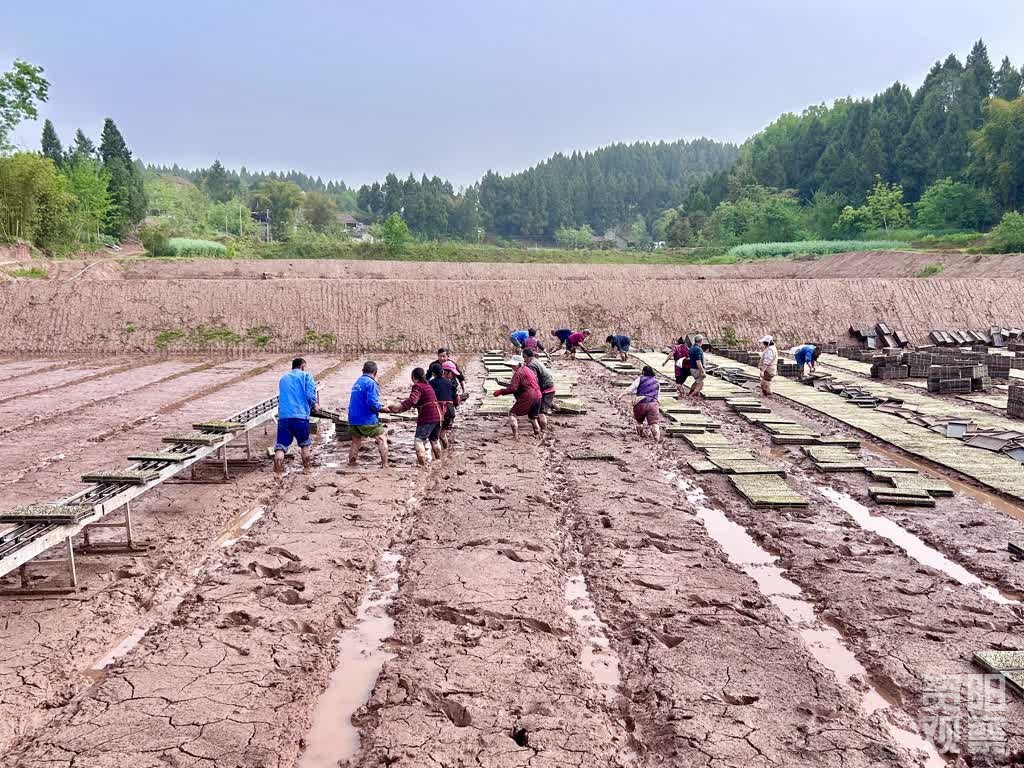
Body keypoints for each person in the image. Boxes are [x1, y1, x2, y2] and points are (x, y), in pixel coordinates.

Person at [389, 367, 444, 465]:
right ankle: (439, 461)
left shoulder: (418, 386)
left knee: (419, 440)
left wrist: (398, 407)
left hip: (428, 415)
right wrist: (402, 408)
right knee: (434, 440)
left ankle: (422, 465)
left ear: (413, 377)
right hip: (438, 415)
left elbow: (412, 400)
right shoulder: (427, 385)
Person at [274, 358, 318, 476]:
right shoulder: (306, 376)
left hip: (284, 416)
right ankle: (307, 469)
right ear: (303, 366)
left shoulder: (283, 378)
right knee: (304, 444)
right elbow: (309, 395)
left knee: (281, 446)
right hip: (300, 416)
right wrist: (314, 405)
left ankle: (277, 473)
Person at [347, 361, 388, 468]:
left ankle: (352, 463)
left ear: (362, 371)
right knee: (382, 438)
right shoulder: (371, 383)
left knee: (356, 441)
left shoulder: (358, 382)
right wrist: (383, 408)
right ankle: (385, 465)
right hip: (365, 418)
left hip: (352, 418)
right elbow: (372, 404)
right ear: (375, 372)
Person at [493, 355, 542, 440]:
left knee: (512, 414)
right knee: (533, 417)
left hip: (528, 396)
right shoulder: (528, 370)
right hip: (538, 395)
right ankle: (538, 434)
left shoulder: (518, 373)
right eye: (512, 365)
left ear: (519, 364)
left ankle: (515, 436)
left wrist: (500, 391)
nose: (512, 367)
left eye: (514, 365)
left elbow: (513, 388)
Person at [619, 365, 662, 442]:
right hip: (653, 403)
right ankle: (657, 439)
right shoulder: (657, 382)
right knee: (654, 424)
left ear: (643, 372)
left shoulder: (640, 379)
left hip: (641, 402)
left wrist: (621, 395)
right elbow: (657, 394)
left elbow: (630, 389)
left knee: (639, 422)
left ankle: (640, 435)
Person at [428, 361, 461, 449]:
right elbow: (455, 398)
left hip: (438, 411)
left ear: (433, 374)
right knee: (443, 434)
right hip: (450, 411)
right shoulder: (450, 383)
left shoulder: (430, 383)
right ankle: (446, 451)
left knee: (434, 437)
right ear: (442, 372)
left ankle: (438, 455)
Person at [523, 348, 555, 429]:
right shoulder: (536, 360)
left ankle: (544, 430)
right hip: (549, 386)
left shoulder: (531, 365)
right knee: (540, 410)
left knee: (541, 412)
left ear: (527, 356)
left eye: (524, 357)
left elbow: (533, 380)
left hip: (546, 389)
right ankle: (543, 428)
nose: (524, 360)